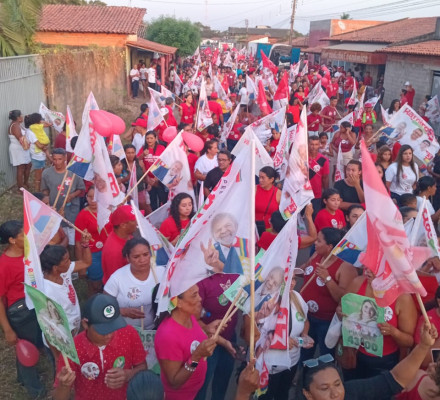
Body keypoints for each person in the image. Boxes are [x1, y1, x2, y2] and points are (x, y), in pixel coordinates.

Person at [298, 322, 438, 400]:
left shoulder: (351, 392)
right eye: (324, 388)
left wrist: (424, 345)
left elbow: (395, 379)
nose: (335, 394)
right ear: (308, 394)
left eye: (338, 384)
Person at [53, 294, 147, 400]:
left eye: (113, 327)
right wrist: (64, 385)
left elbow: (142, 367)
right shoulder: (72, 350)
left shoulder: (129, 334)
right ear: (85, 324)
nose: (109, 335)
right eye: (102, 330)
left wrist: (129, 374)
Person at [0, 220, 46, 398]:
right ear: (12, 240)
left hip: (34, 304)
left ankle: (22, 377)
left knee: (31, 343)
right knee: (26, 349)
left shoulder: (29, 253)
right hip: (20, 312)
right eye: (22, 235)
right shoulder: (4, 265)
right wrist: (8, 329)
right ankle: (35, 390)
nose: (27, 237)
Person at [344, 268, 417, 380]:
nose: (368, 271)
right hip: (355, 353)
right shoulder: (357, 283)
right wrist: (341, 312)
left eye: (374, 268)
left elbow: (409, 342)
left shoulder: (402, 298)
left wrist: (393, 332)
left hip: (385, 361)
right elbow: (342, 308)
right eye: (367, 265)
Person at [300, 228, 358, 358]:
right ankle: (302, 376)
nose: (315, 242)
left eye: (319, 241)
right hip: (305, 317)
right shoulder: (317, 255)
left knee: (325, 356)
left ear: (330, 246)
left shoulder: (345, 267)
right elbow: (305, 269)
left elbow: (343, 298)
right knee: (303, 353)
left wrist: (327, 278)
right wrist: (291, 273)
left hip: (326, 322)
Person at [154, 285, 218, 400]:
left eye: (198, 293)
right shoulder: (168, 335)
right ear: (178, 302)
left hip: (195, 391)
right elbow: (174, 382)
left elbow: (191, 337)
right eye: (194, 295)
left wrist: (208, 330)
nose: (200, 298)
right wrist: (197, 356)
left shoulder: (189, 316)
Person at [40, 238, 92, 361]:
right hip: (60, 342)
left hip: (73, 331)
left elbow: (85, 262)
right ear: (55, 268)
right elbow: (49, 329)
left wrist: (85, 245)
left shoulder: (64, 270)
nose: (70, 262)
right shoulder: (47, 293)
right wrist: (58, 358)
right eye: (66, 260)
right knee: (64, 374)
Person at [104, 237, 164, 329]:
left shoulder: (161, 273)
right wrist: (122, 311)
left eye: (145, 254)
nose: (142, 260)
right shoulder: (117, 278)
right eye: (136, 257)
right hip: (125, 330)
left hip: (155, 328)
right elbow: (104, 308)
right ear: (127, 258)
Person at [42, 148, 85, 250]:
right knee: (58, 229)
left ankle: (73, 251)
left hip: (71, 209)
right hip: (54, 208)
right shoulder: (46, 173)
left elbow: (81, 189)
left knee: (71, 230)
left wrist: (72, 195)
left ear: (65, 158)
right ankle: (61, 251)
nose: (57, 162)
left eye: (60, 159)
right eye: (55, 159)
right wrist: (47, 203)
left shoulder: (73, 173)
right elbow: (45, 190)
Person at [74, 186, 112, 295]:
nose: (93, 200)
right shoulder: (82, 216)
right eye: (89, 197)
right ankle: (93, 305)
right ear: (86, 197)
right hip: (92, 254)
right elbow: (78, 243)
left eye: (95, 197)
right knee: (95, 284)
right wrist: (81, 266)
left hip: (108, 251)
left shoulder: (108, 210)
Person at [101, 205, 137, 285]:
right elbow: (116, 281)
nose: (137, 221)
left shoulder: (125, 235)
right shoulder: (114, 252)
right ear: (123, 225)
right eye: (134, 220)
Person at [122, 144, 151, 215]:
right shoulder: (121, 165)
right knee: (130, 213)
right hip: (126, 194)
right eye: (128, 153)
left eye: (132, 152)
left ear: (135, 153)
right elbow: (118, 180)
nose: (131, 155)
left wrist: (149, 183)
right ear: (124, 153)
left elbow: (145, 175)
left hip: (140, 191)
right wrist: (127, 178)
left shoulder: (140, 163)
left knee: (145, 210)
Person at [25, 113, 51, 191]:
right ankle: (37, 193)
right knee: (38, 177)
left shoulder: (37, 128)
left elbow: (49, 124)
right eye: (41, 119)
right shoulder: (31, 132)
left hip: (40, 155)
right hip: (37, 157)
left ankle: (40, 190)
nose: (42, 121)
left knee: (41, 175)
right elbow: (39, 146)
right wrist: (45, 146)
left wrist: (43, 121)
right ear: (38, 121)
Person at [142, 131, 167, 211]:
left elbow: (165, 163)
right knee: (152, 201)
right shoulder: (143, 149)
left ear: (156, 138)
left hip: (160, 179)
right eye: (147, 138)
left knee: (162, 199)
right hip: (148, 180)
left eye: (151, 138)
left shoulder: (161, 148)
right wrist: (148, 179)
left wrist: (156, 179)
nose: (149, 140)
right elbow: (139, 161)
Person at [8, 110, 31, 193]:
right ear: (18, 117)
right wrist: (29, 145)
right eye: (21, 115)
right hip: (18, 149)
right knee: (20, 168)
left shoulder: (18, 124)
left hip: (23, 148)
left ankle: (25, 183)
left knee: (28, 165)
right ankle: (20, 188)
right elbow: (21, 139)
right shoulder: (15, 126)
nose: (22, 117)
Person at [255, 166, 281, 235]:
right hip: (254, 230)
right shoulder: (254, 189)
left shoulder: (278, 194)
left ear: (271, 179)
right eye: (259, 177)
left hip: (270, 233)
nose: (260, 180)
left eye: (263, 177)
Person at [308, 136, 330, 213]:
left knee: (315, 216)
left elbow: (325, 177)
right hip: (302, 193)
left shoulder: (324, 160)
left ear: (319, 145)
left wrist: (326, 192)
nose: (314, 147)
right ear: (308, 144)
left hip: (316, 194)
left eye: (316, 144)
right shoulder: (302, 157)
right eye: (311, 144)